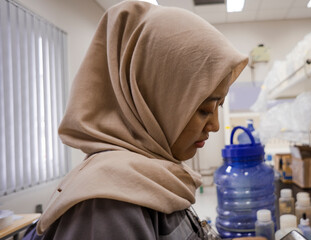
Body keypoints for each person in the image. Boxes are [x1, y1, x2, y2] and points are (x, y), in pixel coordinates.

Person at [23, 1, 248, 239]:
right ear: (154, 100)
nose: (213, 125)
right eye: (204, 109)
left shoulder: (154, 177)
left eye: (218, 106)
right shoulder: (110, 203)